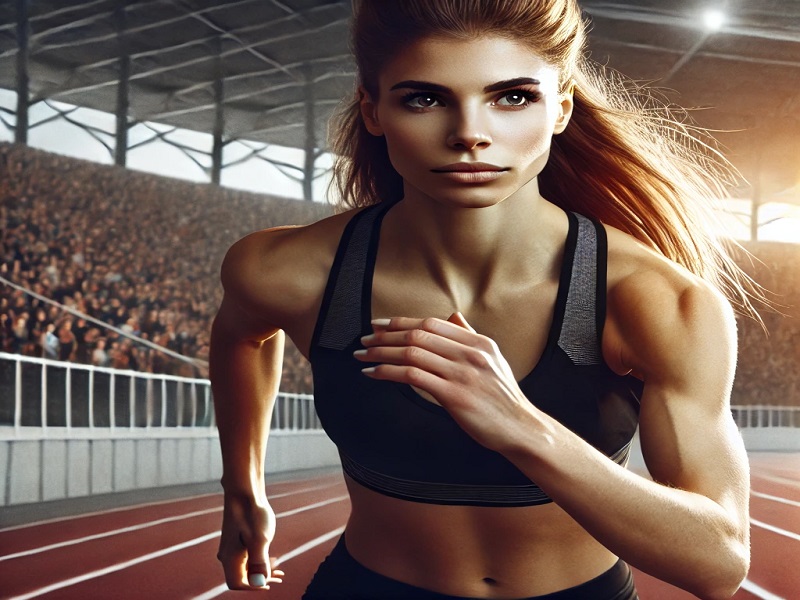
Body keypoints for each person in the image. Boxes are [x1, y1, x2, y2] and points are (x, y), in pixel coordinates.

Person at [211, 1, 761, 598]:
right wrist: (243, 484)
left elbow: (718, 562)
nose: (469, 133)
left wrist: (521, 426)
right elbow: (242, 333)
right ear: (372, 109)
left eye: (513, 97)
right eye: (424, 98)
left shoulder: (656, 301)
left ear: (562, 107)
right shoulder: (288, 271)